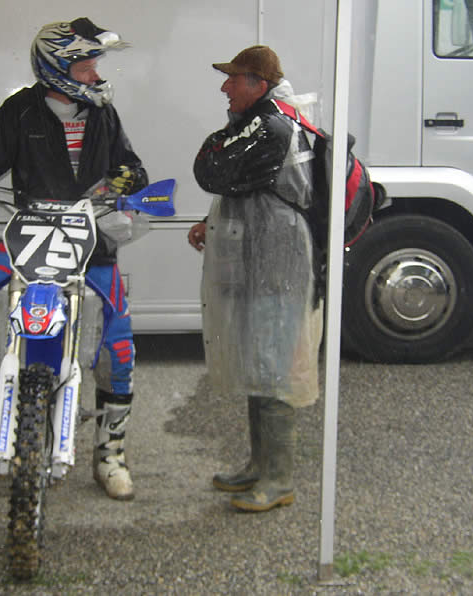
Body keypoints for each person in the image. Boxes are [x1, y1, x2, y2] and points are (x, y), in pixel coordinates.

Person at [0, 17, 148, 500]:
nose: (95, 74)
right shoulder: (20, 110)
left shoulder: (103, 114)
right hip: (28, 238)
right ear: (58, 67)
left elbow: (130, 166)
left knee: (119, 348)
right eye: (86, 66)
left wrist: (125, 184)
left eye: (95, 64)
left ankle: (110, 453)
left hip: (92, 242)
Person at [188, 45, 323, 512]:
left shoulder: (272, 126)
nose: (225, 87)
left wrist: (218, 146)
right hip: (260, 260)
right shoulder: (264, 122)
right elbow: (244, 186)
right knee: (256, 364)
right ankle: (259, 465)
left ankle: (279, 479)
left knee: (273, 369)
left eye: (234, 78)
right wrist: (212, 221)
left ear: (258, 84)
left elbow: (213, 170)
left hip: (278, 267)